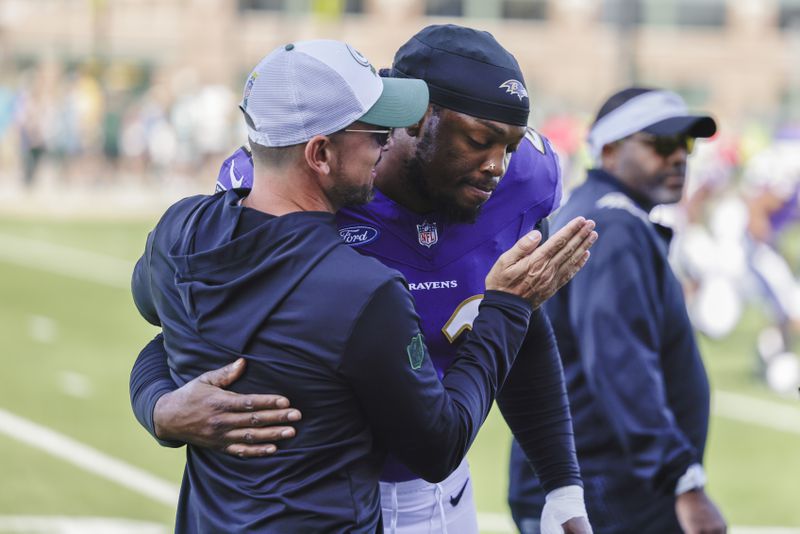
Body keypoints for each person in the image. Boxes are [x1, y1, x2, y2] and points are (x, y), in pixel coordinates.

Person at [130, 25, 596, 533]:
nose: (497, 167)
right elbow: (195, 324)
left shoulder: (520, 182)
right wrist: (159, 404)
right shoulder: (292, 201)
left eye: (508, 146)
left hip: (436, 495)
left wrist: (563, 489)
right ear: (418, 123)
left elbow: (523, 326)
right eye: (480, 141)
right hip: (338, 492)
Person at [508, 87, 727, 534]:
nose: (679, 158)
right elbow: (619, 363)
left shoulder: (603, 214)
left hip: (588, 481)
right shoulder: (614, 225)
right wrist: (681, 479)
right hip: (605, 488)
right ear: (608, 149)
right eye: (661, 145)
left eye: (684, 146)